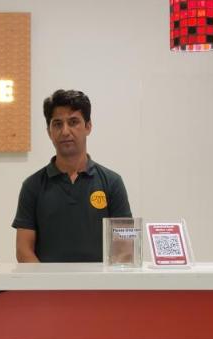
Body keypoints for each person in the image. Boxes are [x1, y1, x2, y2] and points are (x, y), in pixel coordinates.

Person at [12, 89, 131, 262]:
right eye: (57, 124)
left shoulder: (112, 182)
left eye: (73, 122)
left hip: (100, 280)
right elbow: (24, 250)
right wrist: (46, 280)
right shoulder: (32, 186)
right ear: (49, 131)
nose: (65, 131)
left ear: (88, 126)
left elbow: (124, 248)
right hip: (48, 280)